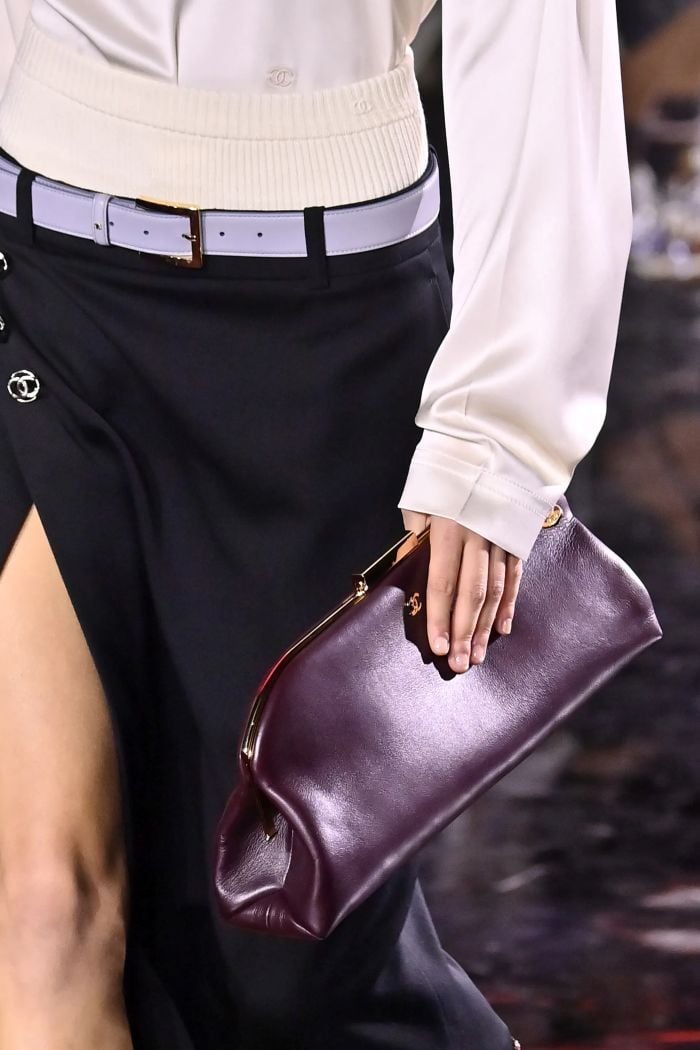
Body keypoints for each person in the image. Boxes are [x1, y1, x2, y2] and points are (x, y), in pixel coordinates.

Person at [0, 2, 631, 1048]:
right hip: (48, 292)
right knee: (39, 912)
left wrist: (496, 439)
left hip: (321, 330)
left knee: (290, 978)